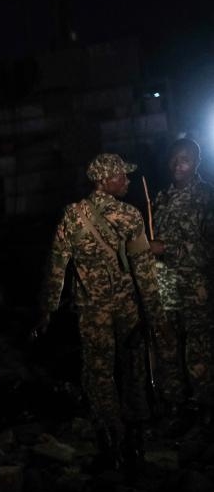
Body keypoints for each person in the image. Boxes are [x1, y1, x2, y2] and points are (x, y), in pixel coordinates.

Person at [34, 153, 169, 469]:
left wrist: (47, 310)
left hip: (92, 313)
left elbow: (57, 267)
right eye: (122, 176)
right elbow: (144, 271)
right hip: (127, 309)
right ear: (105, 180)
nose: (127, 181)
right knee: (133, 370)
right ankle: (135, 438)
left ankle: (111, 438)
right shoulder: (130, 216)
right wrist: (154, 314)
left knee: (99, 375)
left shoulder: (72, 216)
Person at [151, 138, 214, 425]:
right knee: (167, 342)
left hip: (195, 283)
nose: (179, 164)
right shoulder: (160, 199)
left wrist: (170, 248)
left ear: (197, 163)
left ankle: (202, 405)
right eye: (174, 159)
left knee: (198, 344)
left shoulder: (206, 196)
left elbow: (209, 245)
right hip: (165, 281)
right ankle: (174, 404)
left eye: (185, 159)